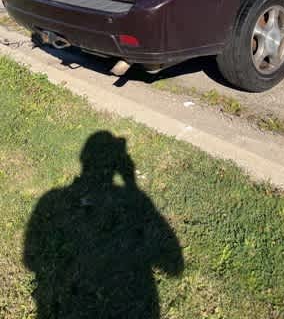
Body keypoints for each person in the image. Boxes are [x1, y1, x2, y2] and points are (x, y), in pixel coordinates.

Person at [23, 131, 184, 318]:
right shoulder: (130, 201)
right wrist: (131, 184)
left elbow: (31, 258)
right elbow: (173, 265)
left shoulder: (51, 200)